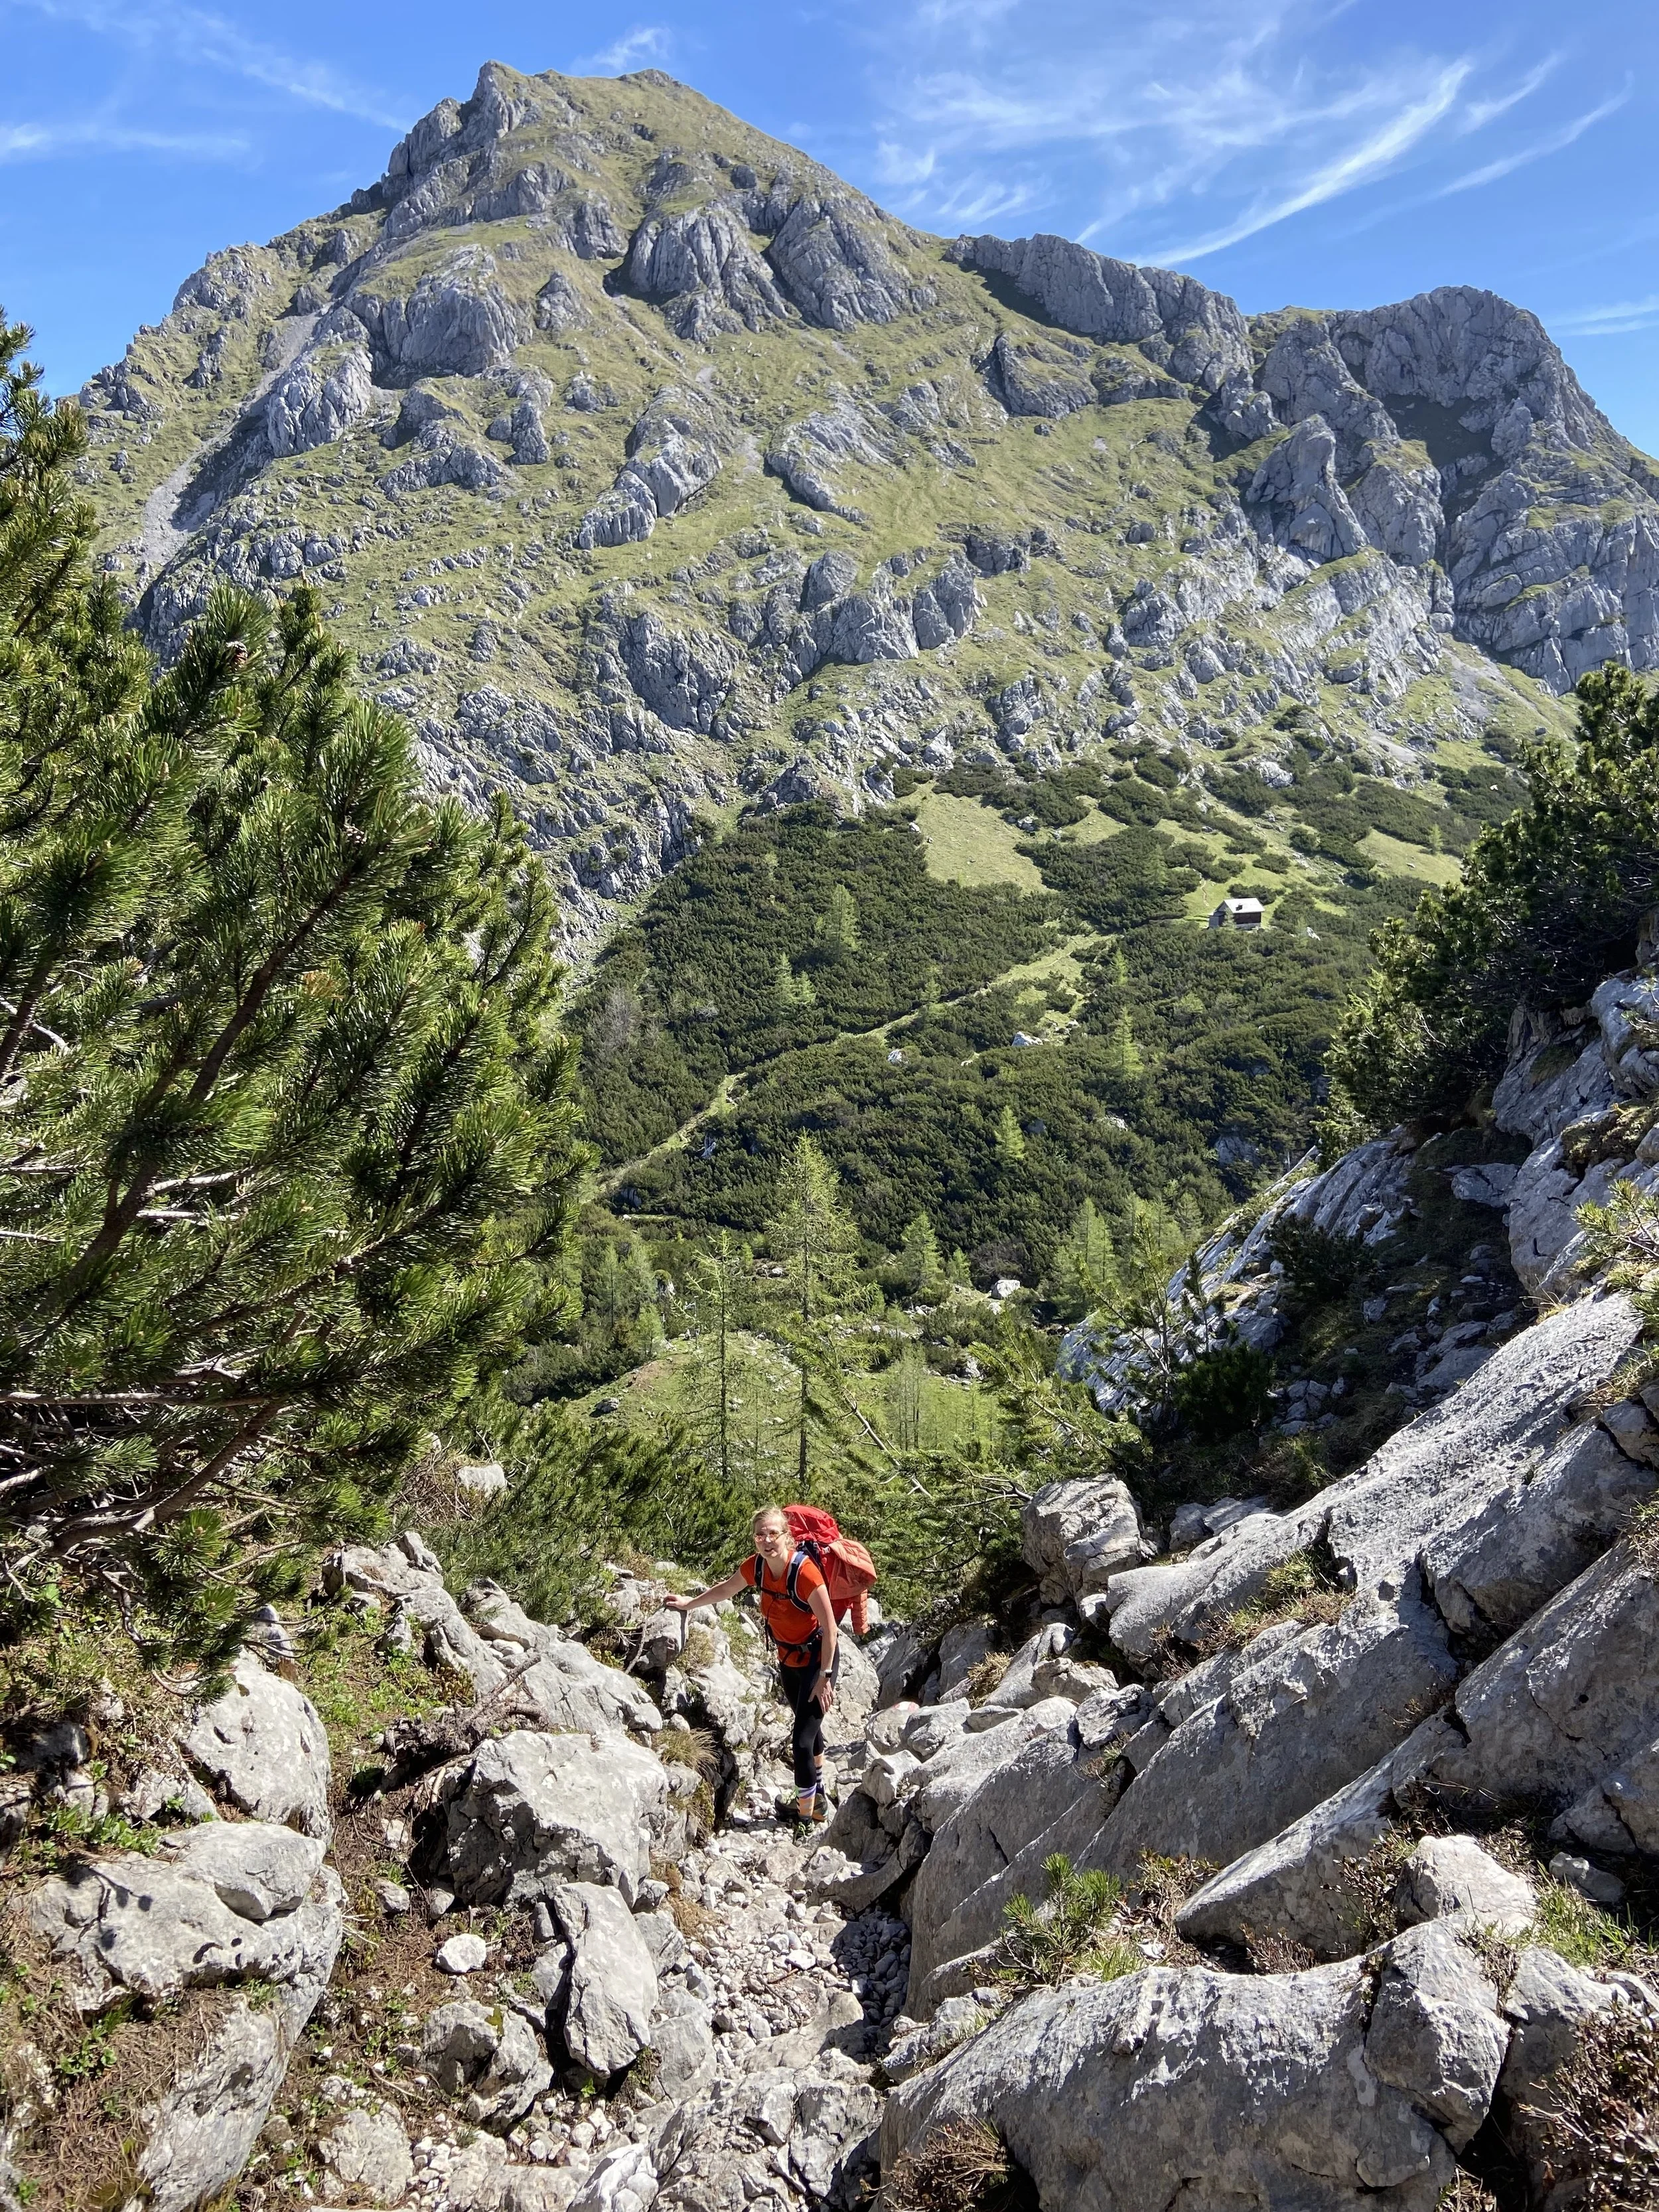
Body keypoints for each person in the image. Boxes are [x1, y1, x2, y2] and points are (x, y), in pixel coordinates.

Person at [666, 1505, 837, 1824]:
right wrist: (690, 1603)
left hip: (818, 1657)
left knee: (801, 1737)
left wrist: (825, 1676)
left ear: (787, 1536)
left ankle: (804, 1818)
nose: (767, 1540)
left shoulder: (805, 1573)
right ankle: (818, 1799)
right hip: (788, 1658)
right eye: (760, 1535)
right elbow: (727, 1588)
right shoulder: (756, 1568)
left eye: (774, 1533)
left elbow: (831, 1628)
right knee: (808, 1727)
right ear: (755, 1540)